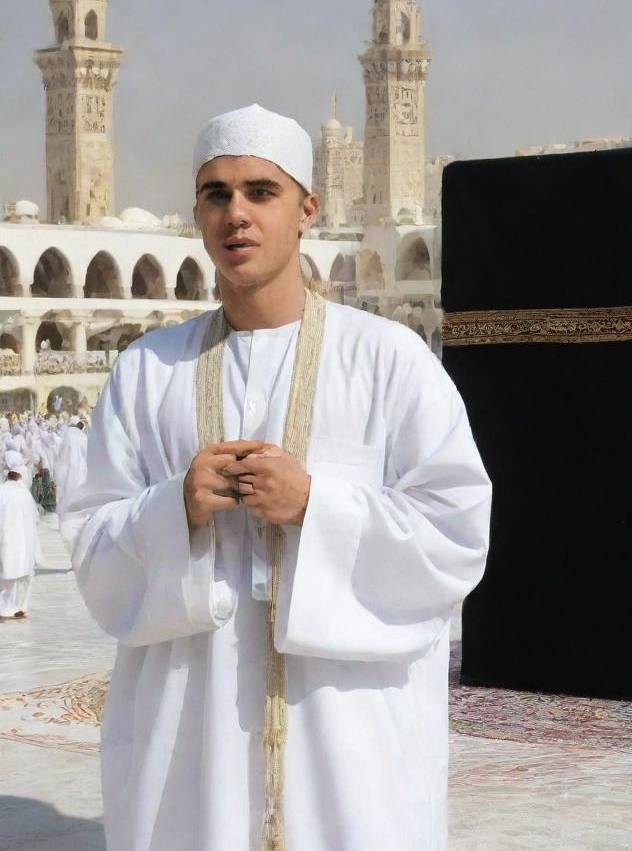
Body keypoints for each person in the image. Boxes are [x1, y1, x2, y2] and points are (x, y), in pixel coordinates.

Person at [60, 103, 492, 851]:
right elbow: (93, 548)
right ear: (197, 213)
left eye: (261, 192)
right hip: (190, 742)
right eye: (216, 194)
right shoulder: (146, 372)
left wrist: (316, 507)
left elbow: (457, 533)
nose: (237, 215)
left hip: (347, 750)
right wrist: (177, 510)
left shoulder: (389, 362)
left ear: (307, 210)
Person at [0, 451, 44, 620]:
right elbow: (35, 519)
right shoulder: (24, 493)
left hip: (5, 542)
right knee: (23, 576)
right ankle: (21, 606)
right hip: (23, 543)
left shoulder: (2, 491)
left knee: (5, 576)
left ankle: (5, 607)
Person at [53, 416, 87, 514]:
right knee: (77, 485)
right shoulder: (82, 437)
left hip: (67, 466)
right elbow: (86, 451)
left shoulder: (68, 435)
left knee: (67, 487)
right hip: (79, 466)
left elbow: (61, 450)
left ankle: (67, 508)